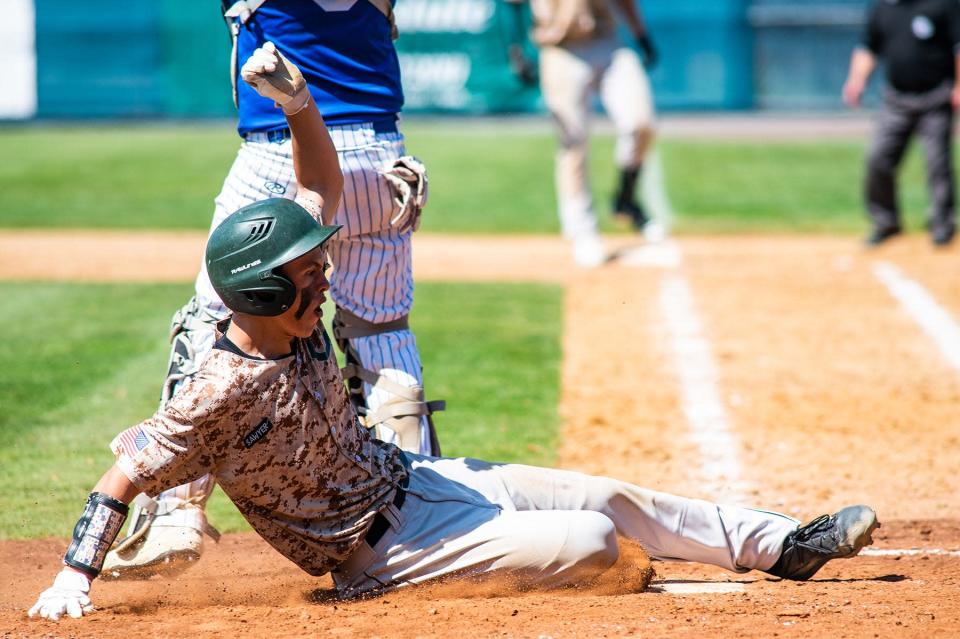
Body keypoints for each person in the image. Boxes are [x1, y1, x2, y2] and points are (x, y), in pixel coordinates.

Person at [28, 48, 880, 620]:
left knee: (607, 497)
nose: (324, 268)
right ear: (261, 288)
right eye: (306, 267)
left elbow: (320, 188)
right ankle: (393, 600)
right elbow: (121, 476)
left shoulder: (286, 315)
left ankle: (782, 545)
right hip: (379, 556)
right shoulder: (217, 388)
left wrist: (302, 107)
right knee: (593, 545)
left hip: (417, 482)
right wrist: (76, 571)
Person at [102, 0, 443, 578]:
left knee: (216, 318)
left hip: (284, 151)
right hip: (382, 157)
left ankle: (175, 511)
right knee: (381, 333)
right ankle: (420, 509)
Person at [506, 0, 660, 266]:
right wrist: (516, 48)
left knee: (640, 123)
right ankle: (582, 230)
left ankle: (626, 198)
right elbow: (513, 4)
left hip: (608, 41)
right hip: (561, 46)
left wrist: (641, 35)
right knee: (573, 142)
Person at [842, 0, 960, 247]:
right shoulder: (883, 8)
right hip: (895, 99)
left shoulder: (942, 5)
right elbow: (868, 47)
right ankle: (886, 221)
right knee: (878, 158)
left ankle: (942, 225)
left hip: (936, 97)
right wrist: (856, 80)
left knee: (937, 163)